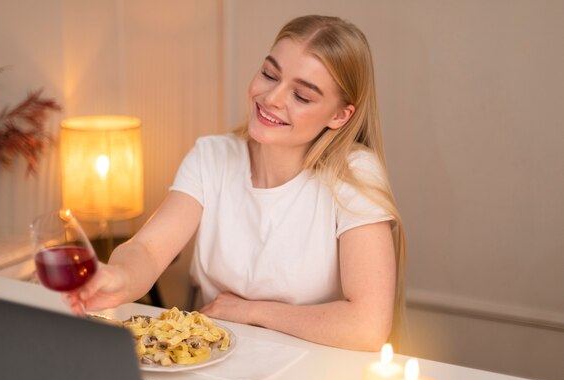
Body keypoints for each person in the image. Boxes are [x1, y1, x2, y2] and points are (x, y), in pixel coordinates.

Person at [66, 14, 406, 352]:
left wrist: (251, 311)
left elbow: (367, 325)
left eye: (301, 96)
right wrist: (119, 278)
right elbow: (149, 250)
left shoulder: (355, 173)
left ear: (339, 115)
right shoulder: (212, 157)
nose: (272, 97)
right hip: (216, 363)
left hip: (311, 376)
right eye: (270, 74)